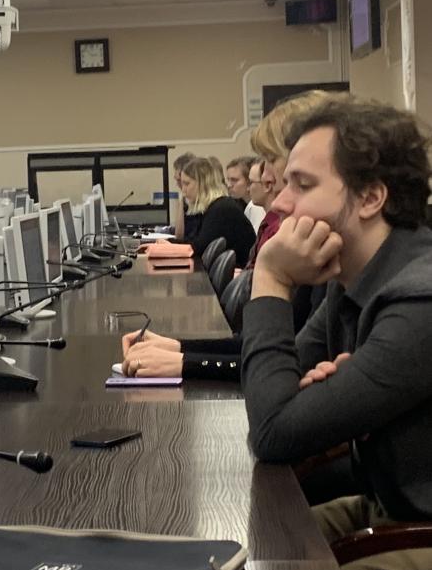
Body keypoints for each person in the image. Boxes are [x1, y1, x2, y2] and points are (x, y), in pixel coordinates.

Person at [241, 94, 432, 570]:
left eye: (302, 184)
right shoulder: (349, 278)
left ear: (370, 198)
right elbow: (275, 397)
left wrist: (271, 278)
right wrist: (309, 400)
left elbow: (272, 431)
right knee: (246, 546)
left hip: (416, 527)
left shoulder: (420, 300)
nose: (280, 202)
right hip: (384, 507)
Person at [120, 91, 330, 381]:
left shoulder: (343, 278)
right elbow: (262, 350)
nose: (267, 179)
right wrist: (179, 348)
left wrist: (186, 362)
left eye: (301, 183)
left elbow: (283, 368)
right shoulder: (326, 270)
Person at [178, 157, 255, 266]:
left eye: (187, 184)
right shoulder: (212, 207)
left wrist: (167, 246)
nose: (183, 190)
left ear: (203, 183)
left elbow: (199, 248)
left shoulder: (221, 209)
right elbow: (192, 240)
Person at [171, 152, 197, 239]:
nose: (178, 185)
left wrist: (182, 199)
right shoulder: (186, 200)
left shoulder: (200, 204)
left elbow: (179, 235)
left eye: (179, 181)